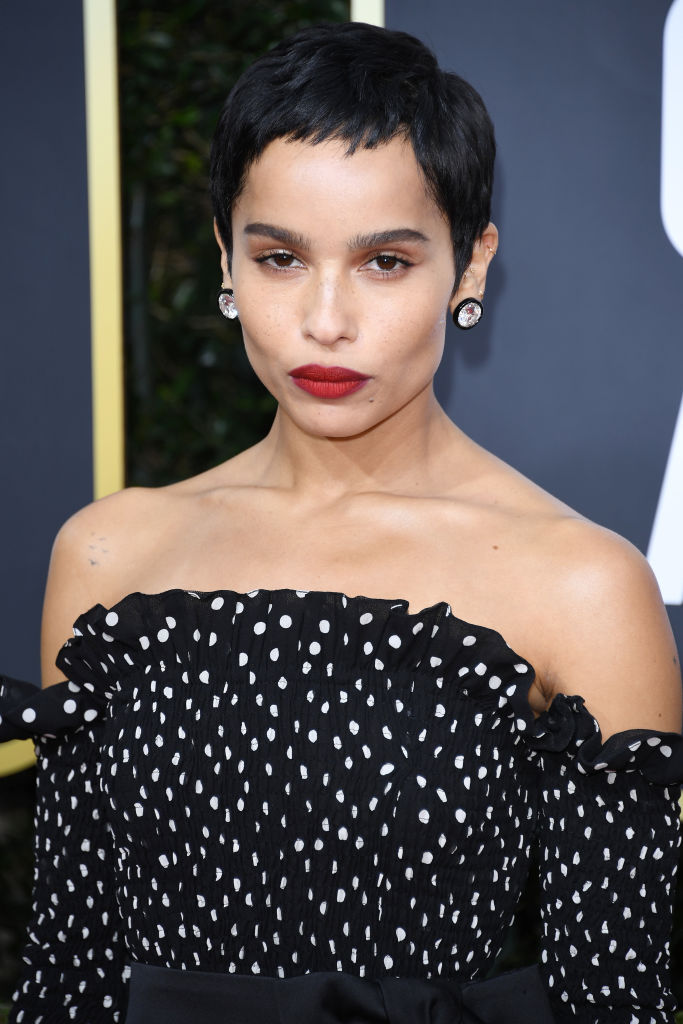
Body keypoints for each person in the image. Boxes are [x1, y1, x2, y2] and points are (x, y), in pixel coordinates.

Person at [1, 20, 681, 1024]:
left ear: (471, 265)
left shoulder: (579, 582)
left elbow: (612, 996)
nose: (325, 319)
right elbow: (71, 963)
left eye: (383, 263)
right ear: (224, 258)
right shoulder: (107, 552)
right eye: (280, 257)